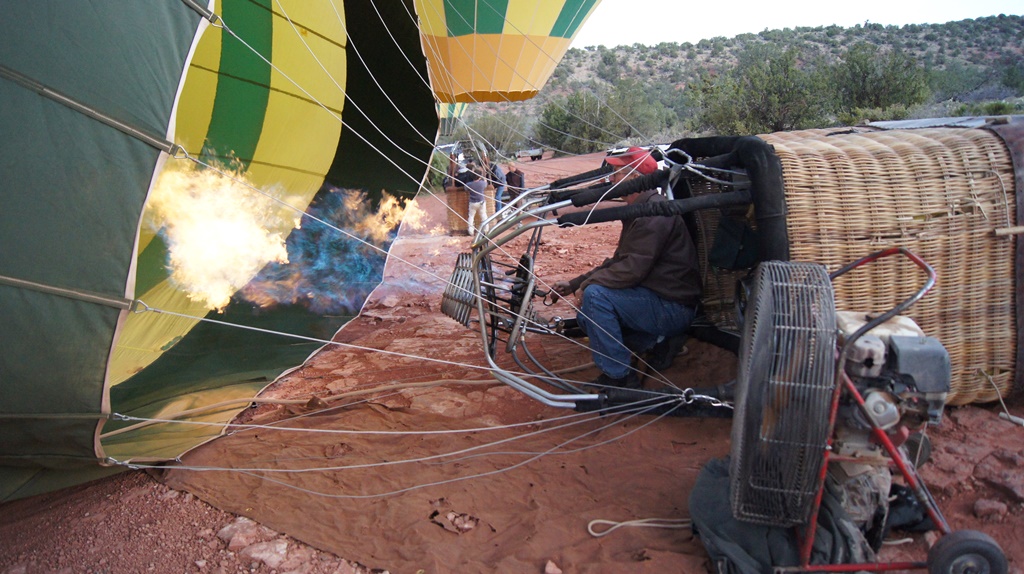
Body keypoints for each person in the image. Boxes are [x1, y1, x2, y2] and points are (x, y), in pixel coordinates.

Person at [553, 147, 701, 389]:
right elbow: (619, 261)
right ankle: (657, 342)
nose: (612, 179)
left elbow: (632, 269)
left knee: (595, 299)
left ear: (634, 178)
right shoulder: (640, 210)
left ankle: (620, 377)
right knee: (586, 315)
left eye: (616, 173)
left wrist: (588, 286)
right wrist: (575, 283)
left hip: (672, 306)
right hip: (657, 299)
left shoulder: (653, 213)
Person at [463, 165, 489, 236]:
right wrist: (484, 178)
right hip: (481, 202)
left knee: (471, 216)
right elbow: (486, 184)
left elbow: (465, 188)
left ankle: (471, 231)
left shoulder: (469, 184)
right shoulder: (482, 183)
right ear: (479, 177)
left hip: (472, 202)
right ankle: (486, 229)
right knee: (483, 215)